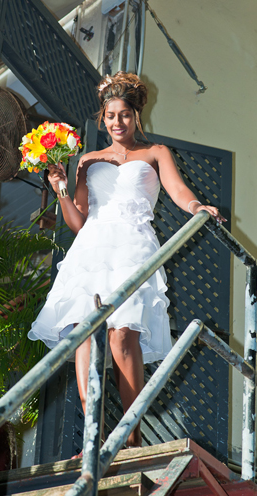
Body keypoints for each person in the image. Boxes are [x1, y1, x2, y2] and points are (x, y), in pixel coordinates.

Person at [27, 72, 226, 453]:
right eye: (110, 116)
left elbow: (179, 190)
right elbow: (77, 221)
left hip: (133, 245)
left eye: (124, 115)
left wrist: (197, 206)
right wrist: (61, 190)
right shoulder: (87, 160)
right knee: (83, 334)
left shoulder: (156, 153)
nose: (117, 122)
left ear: (136, 117)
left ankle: (131, 439)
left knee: (121, 335)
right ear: (102, 119)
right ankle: (91, 440)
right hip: (91, 248)